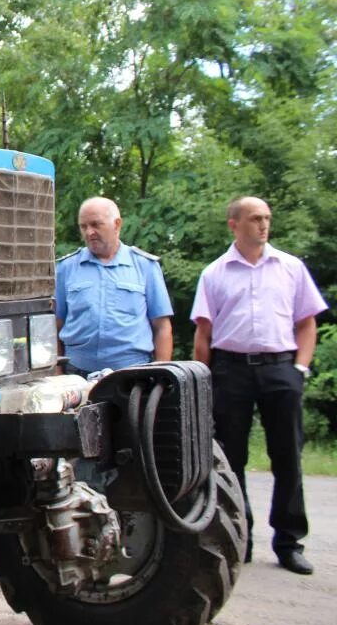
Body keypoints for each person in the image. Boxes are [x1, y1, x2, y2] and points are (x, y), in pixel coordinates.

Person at [192, 196, 327, 575]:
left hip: (280, 368)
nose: (263, 225)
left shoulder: (290, 268)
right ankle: (240, 536)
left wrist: (299, 369)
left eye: (267, 218)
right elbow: (204, 334)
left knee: (288, 456)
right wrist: (205, 380)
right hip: (231, 371)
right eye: (255, 218)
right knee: (230, 460)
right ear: (234, 224)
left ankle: (289, 542)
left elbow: (306, 323)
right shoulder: (215, 273)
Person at [54, 197, 174, 375]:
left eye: (96, 224)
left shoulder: (145, 266)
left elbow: (162, 327)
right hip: (76, 373)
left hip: (132, 373)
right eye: (83, 226)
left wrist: (161, 376)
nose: (89, 232)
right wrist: (57, 373)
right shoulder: (66, 267)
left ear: (117, 224)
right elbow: (54, 325)